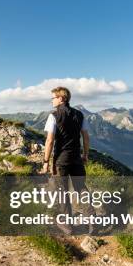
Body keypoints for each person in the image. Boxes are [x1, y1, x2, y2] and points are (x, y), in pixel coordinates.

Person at [41, 86, 90, 233]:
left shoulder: (54, 116)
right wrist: (85, 155)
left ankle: (67, 225)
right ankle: (93, 218)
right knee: (81, 188)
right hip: (76, 158)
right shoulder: (80, 115)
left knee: (62, 191)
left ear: (61, 98)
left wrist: (45, 162)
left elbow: (50, 141)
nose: (52, 100)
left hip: (61, 160)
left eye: (53, 98)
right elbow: (86, 137)